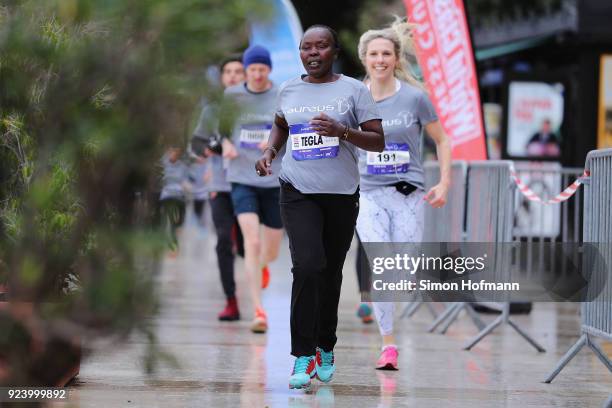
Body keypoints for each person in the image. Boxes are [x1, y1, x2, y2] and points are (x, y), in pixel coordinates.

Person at [255, 25, 385, 389]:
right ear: (300, 53)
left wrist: (342, 131)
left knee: (329, 274)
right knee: (307, 267)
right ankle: (301, 355)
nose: (313, 54)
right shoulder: (289, 89)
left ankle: (325, 345)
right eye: (306, 48)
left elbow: (377, 141)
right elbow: (281, 125)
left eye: (321, 47)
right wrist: (269, 151)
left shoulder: (354, 90)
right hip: (298, 190)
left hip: (342, 194)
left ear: (334, 51)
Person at [355, 20, 451, 370]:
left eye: (386, 53)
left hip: (409, 193)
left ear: (396, 59)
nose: (380, 59)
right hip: (369, 194)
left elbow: (442, 140)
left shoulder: (415, 97)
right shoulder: (354, 97)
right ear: (364, 58)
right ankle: (389, 345)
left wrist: (443, 182)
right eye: (373, 54)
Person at [220, 45, 284, 333]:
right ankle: (259, 310)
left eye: (262, 69)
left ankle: (264, 265)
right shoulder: (232, 95)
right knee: (251, 243)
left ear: (269, 69)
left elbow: (291, 130)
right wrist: (226, 144)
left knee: (270, 249)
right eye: (252, 69)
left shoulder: (281, 94)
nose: (257, 74)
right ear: (246, 70)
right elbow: (220, 127)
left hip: (273, 179)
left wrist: (272, 144)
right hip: (242, 176)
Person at [192, 55, 245, 321]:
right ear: (222, 77)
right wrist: (210, 148)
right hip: (220, 185)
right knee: (224, 240)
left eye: (239, 71)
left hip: (251, 183)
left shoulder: (257, 106)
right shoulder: (212, 109)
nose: (234, 76)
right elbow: (195, 143)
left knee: (249, 244)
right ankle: (231, 300)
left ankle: (255, 265)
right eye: (229, 72)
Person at [159, 147, 189, 256]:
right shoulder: (164, 164)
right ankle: (173, 248)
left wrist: (187, 186)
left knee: (180, 222)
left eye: (176, 152)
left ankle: (178, 228)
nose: (173, 154)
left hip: (179, 196)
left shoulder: (182, 166)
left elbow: (186, 181)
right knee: (170, 223)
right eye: (171, 152)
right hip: (167, 196)